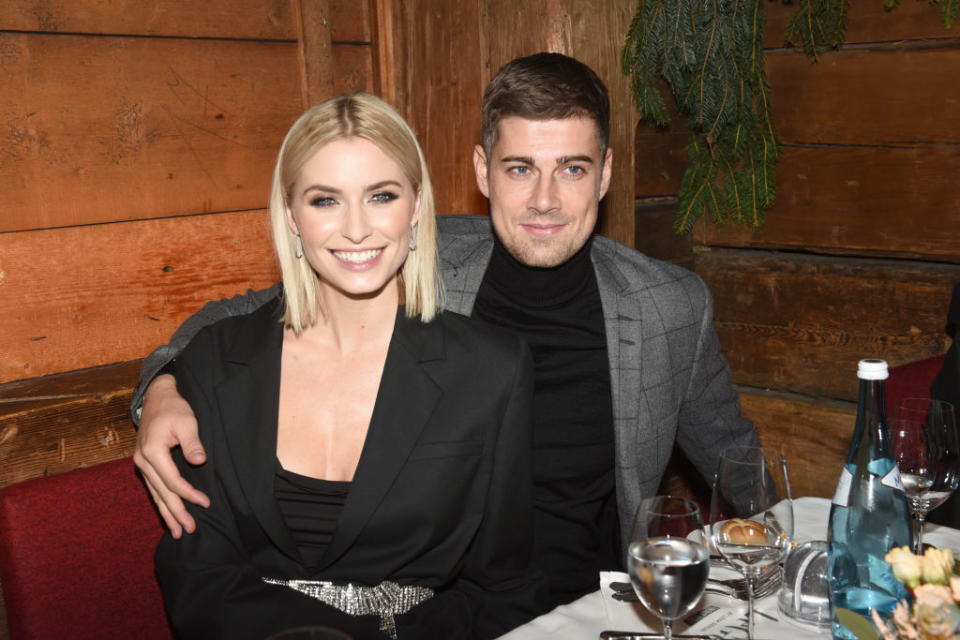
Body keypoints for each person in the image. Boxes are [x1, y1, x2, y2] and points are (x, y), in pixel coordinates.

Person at [133, 53, 760, 611]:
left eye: (571, 169)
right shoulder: (400, 254)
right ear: (483, 172)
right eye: (519, 169)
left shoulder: (668, 306)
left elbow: (737, 465)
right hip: (449, 599)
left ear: (604, 174)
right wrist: (160, 388)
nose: (544, 199)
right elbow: (244, 319)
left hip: (588, 602)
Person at [150, 92, 545, 639]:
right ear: (292, 214)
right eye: (325, 200)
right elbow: (196, 570)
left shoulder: (491, 369)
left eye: (381, 195)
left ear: (415, 203)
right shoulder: (217, 361)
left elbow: (505, 584)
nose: (356, 229)